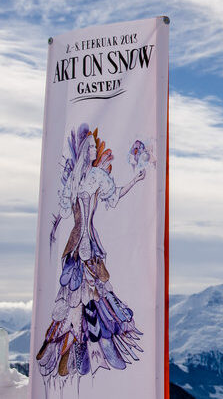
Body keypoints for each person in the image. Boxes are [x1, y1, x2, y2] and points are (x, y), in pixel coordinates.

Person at [37, 124, 146, 379]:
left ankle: (79, 348)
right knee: (75, 296)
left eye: (96, 148)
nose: (95, 151)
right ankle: (70, 347)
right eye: (92, 148)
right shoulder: (77, 179)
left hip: (85, 242)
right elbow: (64, 211)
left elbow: (114, 195)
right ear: (85, 150)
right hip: (77, 244)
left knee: (90, 294)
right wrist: (53, 228)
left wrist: (135, 180)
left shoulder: (96, 176)